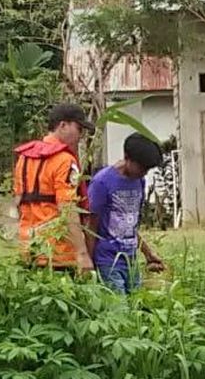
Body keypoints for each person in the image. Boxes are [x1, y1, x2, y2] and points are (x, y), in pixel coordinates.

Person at [13, 102, 94, 272]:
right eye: (79, 129)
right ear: (63, 125)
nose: (80, 135)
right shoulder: (64, 160)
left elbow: (18, 201)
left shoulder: (25, 158)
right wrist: (82, 253)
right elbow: (68, 208)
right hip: (58, 253)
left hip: (29, 249)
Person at [86, 133, 166, 293]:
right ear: (127, 158)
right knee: (119, 311)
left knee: (135, 310)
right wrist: (88, 263)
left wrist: (148, 253)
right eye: (142, 167)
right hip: (108, 261)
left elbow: (130, 226)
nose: (144, 172)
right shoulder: (102, 182)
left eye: (147, 169)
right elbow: (91, 227)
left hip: (131, 261)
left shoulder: (139, 181)